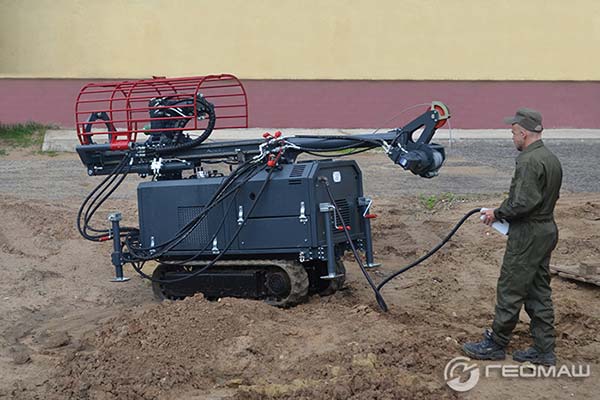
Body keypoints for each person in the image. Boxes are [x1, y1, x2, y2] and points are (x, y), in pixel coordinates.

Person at [462, 108, 562, 366]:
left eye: (514, 133)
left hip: (528, 233)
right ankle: (544, 348)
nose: (512, 137)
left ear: (524, 133)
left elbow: (523, 203)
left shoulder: (529, 161)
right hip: (546, 229)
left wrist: (497, 213)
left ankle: (496, 343)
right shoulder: (550, 158)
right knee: (538, 289)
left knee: (511, 287)